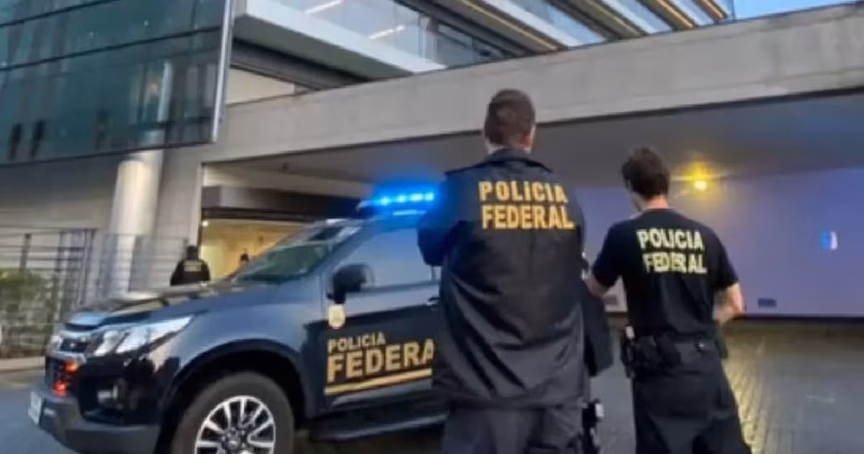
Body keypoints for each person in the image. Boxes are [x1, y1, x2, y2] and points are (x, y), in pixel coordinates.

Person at [417, 89, 588, 454]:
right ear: (531, 134)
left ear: (485, 134)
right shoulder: (566, 195)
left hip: (485, 395)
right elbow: (575, 261)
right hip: (557, 397)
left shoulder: (459, 190)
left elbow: (429, 248)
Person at [583, 147, 750, 454]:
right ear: (666, 184)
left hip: (659, 376)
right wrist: (702, 328)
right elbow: (736, 304)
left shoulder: (624, 234)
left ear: (630, 187)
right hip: (708, 368)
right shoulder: (705, 235)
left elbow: (593, 289)